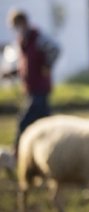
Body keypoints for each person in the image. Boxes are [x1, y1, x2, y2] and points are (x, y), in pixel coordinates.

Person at [2, 9, 55, 155]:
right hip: (32, 88)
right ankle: (48, 152)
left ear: (23, 22)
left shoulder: (37, 37)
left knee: (25, 121)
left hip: (40, 87)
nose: (16, 29)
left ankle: (16, 154)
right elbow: (26, 66)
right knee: (45, 124)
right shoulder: (23, 41)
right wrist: (12, 73)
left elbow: (55, 49)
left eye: (16, 25)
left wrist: (47, 65)